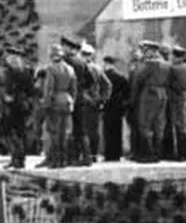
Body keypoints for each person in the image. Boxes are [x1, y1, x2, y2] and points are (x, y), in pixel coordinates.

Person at [129, 40, 170, 163]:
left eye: (145, 51)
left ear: (151, 51)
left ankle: (147, 154)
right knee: (158, 124)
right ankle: (157, 153)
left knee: (144, 124)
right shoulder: (166, 64)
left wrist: (133, 99)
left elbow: (138, 79)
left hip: (150, 93)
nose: (143, 53)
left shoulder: (151, 64)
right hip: (162, 93)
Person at [40, 44, 76, 169]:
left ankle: (55, 161)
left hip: (55, 101)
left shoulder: (51, 68)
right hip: (67, 101)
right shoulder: (70, 69)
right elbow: (74, 88)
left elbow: (49, 88)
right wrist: (72, 100)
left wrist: (46, 104)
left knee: (54, 132)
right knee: (64, 133)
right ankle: (63, 160)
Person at [61, 36, 94, 166]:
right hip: (80, 97)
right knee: (81, 129)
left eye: (63, 46)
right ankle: (86, 157)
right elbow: (90, 80)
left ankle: (71, 157)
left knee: (68, 128)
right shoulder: (81, 62)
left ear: (68, 48)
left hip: (68, 97)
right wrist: (81, 88)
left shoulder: (65, 62)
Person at [1, 47, 36, 169]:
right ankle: (20, 159)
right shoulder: (27, 71)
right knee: (21, 132)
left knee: (6, 132)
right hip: (23, 105)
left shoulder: (10, 71)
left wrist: (7, 98)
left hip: (12, 105)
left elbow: (8, 90)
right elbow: (31, 90)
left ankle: (15, 157)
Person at [166, 46, 186, 161]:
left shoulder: (174, 69)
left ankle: (181, 154)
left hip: (178, 98)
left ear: (176, 57)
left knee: (179, 125)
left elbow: (169, 83)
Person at [101, 56, 129, 162]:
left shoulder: (104, 76)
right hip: (118, 107)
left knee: (108, 131)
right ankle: (117, 154)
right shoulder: (121, 77)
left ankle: (108, 154)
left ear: (105, 63)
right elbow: (126, 94)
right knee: (117, 131)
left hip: (107, 106)